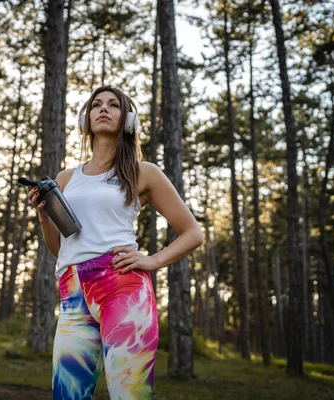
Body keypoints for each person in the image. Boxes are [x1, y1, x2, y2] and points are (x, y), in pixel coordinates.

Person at [26, 85, 203, 399]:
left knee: (128, 394)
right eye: (96, 105)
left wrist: (152, 260)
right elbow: (60, 248)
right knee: (67, 394)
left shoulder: (142, 173)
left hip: (122, 287)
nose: (103, 109)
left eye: (113, 105)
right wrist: (43, 216)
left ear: (128, 120)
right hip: (72, 293)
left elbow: (193, 233)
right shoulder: (65, 178)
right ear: (87, 120)